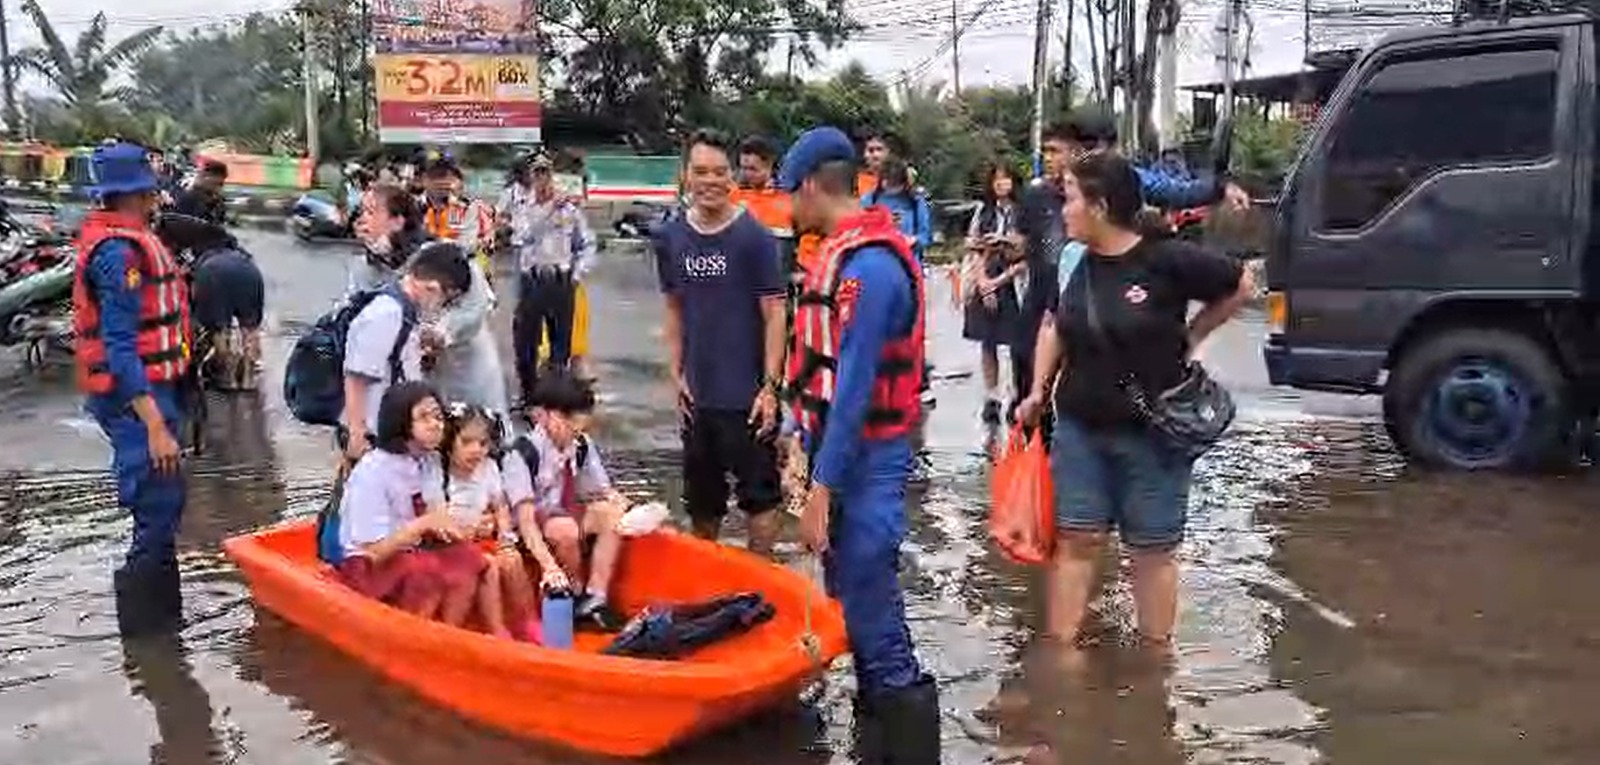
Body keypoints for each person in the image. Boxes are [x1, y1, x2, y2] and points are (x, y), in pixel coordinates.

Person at [1013, 150, 1253, 651]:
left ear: (1099, 206)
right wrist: (1037, 391)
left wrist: (1193, 336)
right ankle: (1062, 654)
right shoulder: (1074, 261)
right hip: (1080, 428)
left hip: (1152, 434)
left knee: (1151, 552)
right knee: (1076, 542)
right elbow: (1054, 325)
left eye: (1071, 199)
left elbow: (1240, 284)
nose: (1063, 210)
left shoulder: (1166, 260)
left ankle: (1154, 663)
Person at [780, 126, 939, 764]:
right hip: (836, 454)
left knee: (873, 609)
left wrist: (821, 490)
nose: (787, 207)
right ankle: (876, 745)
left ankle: (908, 748)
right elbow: (816, 373)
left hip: (868, 460)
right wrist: (797, 442)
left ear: (811, 186)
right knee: (852, 603)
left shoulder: (870, 267)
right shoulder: (837, 255)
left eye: (789, 193)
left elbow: (852, 390)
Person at [73, 142, 194, 637]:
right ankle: (146, 640)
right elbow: (120, 348)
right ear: (132, 195)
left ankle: (166, 625)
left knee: (167, 503)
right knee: (157, 508)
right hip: (136, 398)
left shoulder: (135, 240)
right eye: (148, 191)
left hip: (154, 390)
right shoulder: (118, 254)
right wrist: (155, 426)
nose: (155, 198)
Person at [655, 129, 787, 555]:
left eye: (718, 172)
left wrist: (770, 388)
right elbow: (674, 307)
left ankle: (761, 577)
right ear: (685, 175)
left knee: (760, 497)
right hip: (698, 394)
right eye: (700, 172)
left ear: (732, 176)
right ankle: (709, 577)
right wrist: (675, 373)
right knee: (702, 502)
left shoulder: (755, 238)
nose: (709, 181)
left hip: (747, 395)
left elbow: (775, 313)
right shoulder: (671, 237)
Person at [335, 381, 484, 625]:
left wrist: (466, 528)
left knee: (470, 559)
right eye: (424, 417)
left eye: (438, 416)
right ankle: (412, 634)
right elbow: (372, 551)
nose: (436, 424)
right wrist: (422, 525)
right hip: (369, 563)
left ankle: (449, 631)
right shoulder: (372, 472)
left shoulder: (430, 460)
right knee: (424, 570)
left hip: (415, 548)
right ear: (401, 422)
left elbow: (437, 515)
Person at [501, 372, 627, 630]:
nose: (575, 430)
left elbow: (600, 490)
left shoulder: (581, 445)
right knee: (565, 529)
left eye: (579, 424)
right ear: (545, 416)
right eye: (568, 422)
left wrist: (624, 506)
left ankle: (595, 596)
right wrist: (549, 567)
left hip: (566, 513)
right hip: (531, 527)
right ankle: (572, 592)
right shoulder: (522, 454)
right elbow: (525, 521)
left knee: (612, 514)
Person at [339, 242, 472, 463]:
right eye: (446, 300)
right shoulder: (387, 313)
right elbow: (356, 377)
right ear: (432, 288)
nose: (442, 308)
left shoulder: (405, 311)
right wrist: (356, 434)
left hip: (390, 430)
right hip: (373, 433)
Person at [430, 402, 537, 640]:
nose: (476, 450)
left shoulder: (488, 468)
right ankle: (496, 629)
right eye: (466, 442)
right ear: (449, 442)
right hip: (449, 543)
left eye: (482, 443)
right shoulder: (438, 471)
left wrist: (505, 537)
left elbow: (500, 506)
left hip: (482, 538)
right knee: (488, 565)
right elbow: (435, 517)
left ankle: (527, 622)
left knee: (512, 560)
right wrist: (464, 530)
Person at [503, 153, 597, 403]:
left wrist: (577, 273)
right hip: (532, 280)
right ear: (531, 177)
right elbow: (522, 237)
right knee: (525, 343)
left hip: (560, 280)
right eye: (537, 173)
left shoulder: (570, 209)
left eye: (546, 173)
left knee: (560, 344)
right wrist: (548, 212)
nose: (542, 179)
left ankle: (553, 396)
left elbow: (587, 243)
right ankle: (527, 395)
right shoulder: (523, 207)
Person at [961, 163, 1025, 424]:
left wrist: (1000, 280)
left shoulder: (1023, 212)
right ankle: (992, 396)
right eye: (996, 180)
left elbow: (1029, 252)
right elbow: (973, 246)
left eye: (1005, 179)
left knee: (1017, 342)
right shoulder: (983, 211)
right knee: (988, 341)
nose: (1001, 184)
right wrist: (983, 282)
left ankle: (1016, 393)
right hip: (986, 276)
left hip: (1014, 280)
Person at [181, 220, 264, 391]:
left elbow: (192, 285)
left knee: (220, 329)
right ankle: (248, 379)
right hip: (250, 271)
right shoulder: (238, 250)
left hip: (213, 273)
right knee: (250, 329)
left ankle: (228, 378)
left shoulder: (199, 250)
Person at [350, 184, 428, 294]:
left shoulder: (427, 258)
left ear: (398, 222)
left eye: (370, 212)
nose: (361, 220)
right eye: (361, 212)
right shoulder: (363, 263)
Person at [860, 158, 932, 264]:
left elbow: (926, 235)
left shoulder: (916, 201)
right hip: (876, 259)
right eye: (888, 183)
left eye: (895, 185)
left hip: (908, 262)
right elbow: (860, 232)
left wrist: (913, 240)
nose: (891, 189)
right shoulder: (868, 200)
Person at [171, 160, 229, 226]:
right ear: (206, 177)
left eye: (221, 184)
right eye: (218, 184)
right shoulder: (188, 197)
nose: (219, 187)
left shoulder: (217, 200)